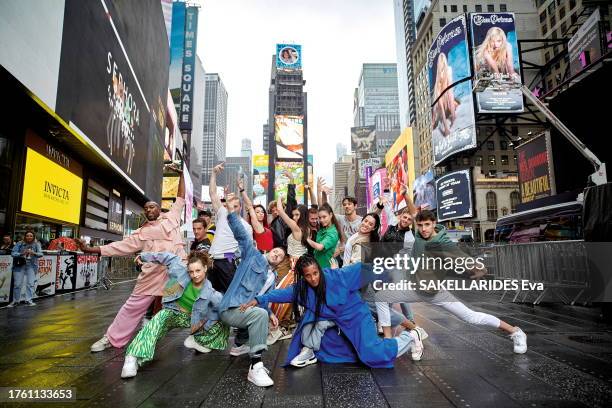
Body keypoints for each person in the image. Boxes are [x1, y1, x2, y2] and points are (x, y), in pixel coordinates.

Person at [373, 210, 528, 355]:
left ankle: (516, 331)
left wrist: (480, 268)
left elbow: (460, 255)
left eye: (427, 225)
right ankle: (388, 342)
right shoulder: (419, 236)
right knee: (381, 297)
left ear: (434, 223)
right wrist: (405, 194)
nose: (423, 229)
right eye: (420, 225)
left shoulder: (442, 242)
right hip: (413, 288)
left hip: (435, 293)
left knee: (471, 317)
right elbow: (414, 212)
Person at [76, 168, 186, 351]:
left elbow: (180, 197)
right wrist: (89, 248)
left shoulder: (172, 218)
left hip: (175, 278)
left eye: (152, 207)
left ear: (159, 208)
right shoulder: (140, 233)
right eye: (146, 208)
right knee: (132, 308)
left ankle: (204, 338)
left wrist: (182, 174)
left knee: (194, 302)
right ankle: (110, 338)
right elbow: (117, 247)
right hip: (151, 277)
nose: (149, 210)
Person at [241, 255, 417, 369]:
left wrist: (388, 273)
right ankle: (308, 350)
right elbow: (282, 293)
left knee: (371, 355)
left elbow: (361, 269)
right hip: (331, 319)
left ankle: (409, 337)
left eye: (315, 273)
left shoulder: (338, 276)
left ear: (319, 269)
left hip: (355, 316)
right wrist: (258, 299)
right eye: (308, 275)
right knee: (310, 320)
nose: (313, 278)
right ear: (303, 276)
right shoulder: (303, 288)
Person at [121, 251, 229, 378]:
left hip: (192, 319)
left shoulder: (211, 294)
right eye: (191, 271)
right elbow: (165, 256)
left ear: (205, 268)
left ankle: (199, 341)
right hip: (173, 311)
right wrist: (143, 256)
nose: (194, 275)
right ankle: (132, 358)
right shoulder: (179, 270)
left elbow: (225, 309)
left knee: (224, 320)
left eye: (198, 271)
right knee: (157, 321)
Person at [218, 204, 286, 387]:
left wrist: (271, 314)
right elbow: (242, 236)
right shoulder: (253, 256)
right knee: (259, 315)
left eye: (280, 256)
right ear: (269, 251)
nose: (277, 255)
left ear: (280, 263)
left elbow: (261, 299)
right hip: (230, 308)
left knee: (262, 312)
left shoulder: (272, 277)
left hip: (244, 311)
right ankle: (255, 365)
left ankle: (239, 344)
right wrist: (232, 213)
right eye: (275, 251)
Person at [266, 197, 310, 344]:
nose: (294, 217)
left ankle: (286, 327)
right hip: (294, 267)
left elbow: (282, 213)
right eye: (294, 215)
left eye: (297, 215)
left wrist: (279, 200)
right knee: (286, 296)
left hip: (297, 268)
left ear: (303, 216)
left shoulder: (298, 229)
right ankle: (286, 326)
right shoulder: (298, 229)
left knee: (283, 296)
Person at [207, 163, 253, 293]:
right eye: (230, 205)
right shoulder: (222, 213)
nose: (232, 208)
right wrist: (214, 173)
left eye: (236, 206)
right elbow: (212, 193)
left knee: (230, 295)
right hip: (212, 260)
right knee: (208, 296)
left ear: (240, 207)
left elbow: (247, 250)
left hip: (228, 262)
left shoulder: (245, 226)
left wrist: (231, 258)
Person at [9, 231, 43, 307]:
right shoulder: (19, 243)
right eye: (27, 235)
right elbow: (13, 253)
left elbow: (41, 254)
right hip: (19, 266)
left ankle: (29, 300)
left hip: (31, 265)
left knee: (30, 284)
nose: (29, 237)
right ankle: (15, 301)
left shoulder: (36, 244)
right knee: (17, 284)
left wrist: (34, 253)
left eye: (31, 236)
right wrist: (21, 253)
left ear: (33, 237)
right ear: (25, 236)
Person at [239, 178, 273, 253]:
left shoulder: (266, 227)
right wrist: (242, 190)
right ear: (253, 215)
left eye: (262, 212)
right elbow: (250, 205)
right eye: (257, 212)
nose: (261, 213)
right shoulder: (256, 226)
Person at [432, 53, 459, 137]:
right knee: (437, 109)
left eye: (444, 61)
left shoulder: (448, 70)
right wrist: (446, 128)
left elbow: (450, 91)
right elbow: (439, 101)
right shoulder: (438, 78)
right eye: (441, 62)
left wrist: (453, 116)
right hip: (440, 102)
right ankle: (439, 124)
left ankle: (453, 118)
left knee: (451, 99)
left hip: (446, 99)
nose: (443, 63)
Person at [307, 203, 342, 269]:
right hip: (319, 265)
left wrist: (307, 239)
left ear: (331, 215)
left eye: (324, 217)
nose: (321, 220)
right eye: (319, 218)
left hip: (327, 268)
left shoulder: (333, 233)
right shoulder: (323, 228)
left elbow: (320, 247)